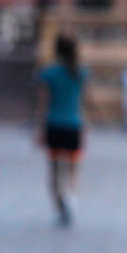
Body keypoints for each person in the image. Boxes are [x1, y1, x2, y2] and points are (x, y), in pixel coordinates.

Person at [37, 35, 88, 226]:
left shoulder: (48, 73)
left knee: (55, 170)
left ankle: (60, 206)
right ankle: (71, 198)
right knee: (73, 169)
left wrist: (40, 129)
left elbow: (43, 105)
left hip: (54, 124)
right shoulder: (81, 73)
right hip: (74, 125)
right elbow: (82, 103)